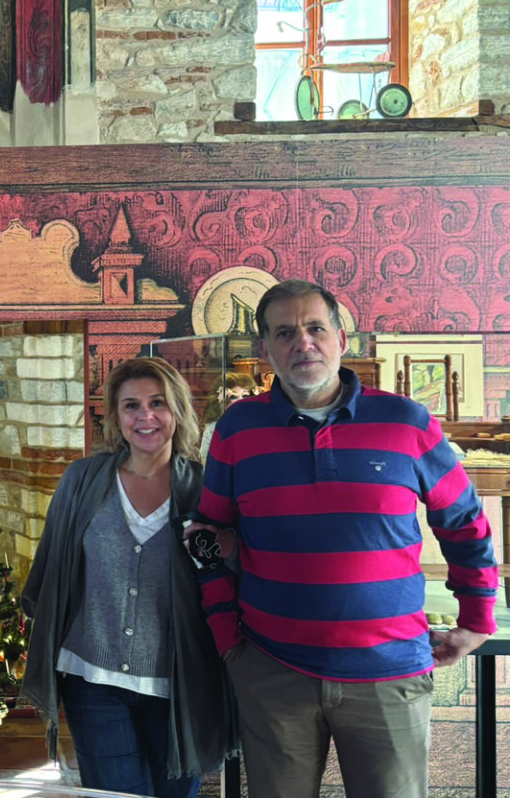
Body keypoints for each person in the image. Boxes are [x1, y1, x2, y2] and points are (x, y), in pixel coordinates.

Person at [191, 279, 500, 798]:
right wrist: (228, 641)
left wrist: (477, 618)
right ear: (265, 349)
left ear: (341, 338)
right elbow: (206, 537)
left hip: (389, 672)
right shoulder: (238, 429)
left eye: (315, 328)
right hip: (273, 671)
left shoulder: (405, 420)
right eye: (285, 333)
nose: (303, 342)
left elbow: (464, 521)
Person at [20, 357, 236, 798]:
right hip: (92, 680)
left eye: (157, 403)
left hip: (179, 683)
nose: (145, 416)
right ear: (116, 417)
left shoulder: (204, 489)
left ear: (177, 411)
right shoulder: (82, 481)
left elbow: (230, 577)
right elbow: (51, 569)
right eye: (131, 406)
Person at [198, 371, 257, 460]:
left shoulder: (257, 422)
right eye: (233, 397)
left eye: (245, 396)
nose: (240, 401)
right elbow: (206, 459)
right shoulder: (215, 426)